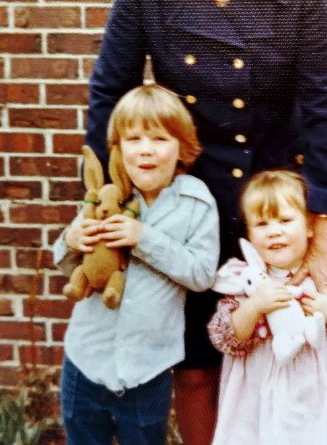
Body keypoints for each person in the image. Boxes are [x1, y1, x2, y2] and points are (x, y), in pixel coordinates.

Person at [83, 0, 327, 443]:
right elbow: (110, 93)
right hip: (188, 208)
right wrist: (106, 203)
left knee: (284, 348)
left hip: (273, 204)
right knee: (198, 362)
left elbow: (324, 109)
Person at [54, 84, 219, 445]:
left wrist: (143, 238)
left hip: (148, 369)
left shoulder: (196, 202)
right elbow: (68, 265)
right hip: (86, 358)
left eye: (159, 139)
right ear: (118, 148)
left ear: (182, 149)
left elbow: (203, 275)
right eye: (134, 139)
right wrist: (70, 242)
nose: (146, 149)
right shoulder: (105, 195)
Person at [207, 170, 327, 445]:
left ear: (309, 227)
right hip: (263, 399)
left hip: (321, 397)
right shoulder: (247, 281)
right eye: (262, 224)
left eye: (285, 220)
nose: (274, 231)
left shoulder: (326, 276)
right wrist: (255, 307)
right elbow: (226, 337)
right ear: (249, 233)